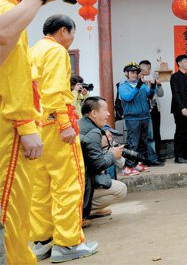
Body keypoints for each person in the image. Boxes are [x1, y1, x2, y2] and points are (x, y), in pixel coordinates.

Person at [0, 0, 63, 264]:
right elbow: (14, 78)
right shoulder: (4, 7)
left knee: (23, 204)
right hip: (10, 127)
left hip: (24, 122)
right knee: (11, 209)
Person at [29, 15, 99, 262]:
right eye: (72, 33)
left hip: (36, 128)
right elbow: (55, 91)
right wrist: (64, 123)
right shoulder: (56, 51)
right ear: (63, 31)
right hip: (56, 127)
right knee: (67, 183)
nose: (72, 39)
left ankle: (42, 240)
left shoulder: (34, 50)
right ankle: (68, 243)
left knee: (40, 186)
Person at [79, 97, 128, 221]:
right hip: (81, 184)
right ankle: (82, 213)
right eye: (105, 110)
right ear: (94, 113)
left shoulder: (80, 124)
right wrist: (112, 154)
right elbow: (98, 164)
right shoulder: (93, 132)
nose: (108, 114)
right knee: (121, 189)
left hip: (78, 182)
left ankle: (85, 209)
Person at [118, 62, 156, 175]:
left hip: (144, 116)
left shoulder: (142, 85)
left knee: (143, 142)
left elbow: (150, 95)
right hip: (132, 118)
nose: (134, 74)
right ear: (127, 73)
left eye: (136, 72)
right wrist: (139, 85)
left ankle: (138, 164)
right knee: (133, 143)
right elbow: (128, 97)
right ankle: (129, 166)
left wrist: (153, 86)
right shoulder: (123, 86)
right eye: (132, 72)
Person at [170, 55, 187, 164]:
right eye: (185, 61)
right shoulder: (175, 77)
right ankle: (178, 156)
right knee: (180, 132)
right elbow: (176, 93)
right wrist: (182, 107)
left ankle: (186, 154)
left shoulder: (185, 76)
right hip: (180, 109)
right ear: (179, 63)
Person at [139, 60, 165, 164]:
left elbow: (161, 94)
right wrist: (141, 81)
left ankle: (157, 155)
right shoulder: (138, 81)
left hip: (155, 109)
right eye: (143, 69)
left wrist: (158, 85)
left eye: (148, 69)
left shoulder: (153, 79)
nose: (147, 71)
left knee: (156, 133)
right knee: (146, 135)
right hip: (144, 111)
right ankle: (147, 157)